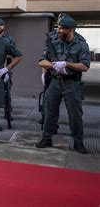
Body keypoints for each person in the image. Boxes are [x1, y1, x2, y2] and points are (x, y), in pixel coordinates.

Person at [36, 14, 90, 154]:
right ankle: (46, 138)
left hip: (72, 83)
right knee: (49, 112)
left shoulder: (81, 44)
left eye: (61, 28)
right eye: (58, 27)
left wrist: (67, 64)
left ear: (70, 29)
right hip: (54, 81)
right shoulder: (52, 40)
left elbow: (84, 66)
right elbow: (42, 61)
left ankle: (78, 142)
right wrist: (53, 66)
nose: (58, 30)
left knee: (75, 114)